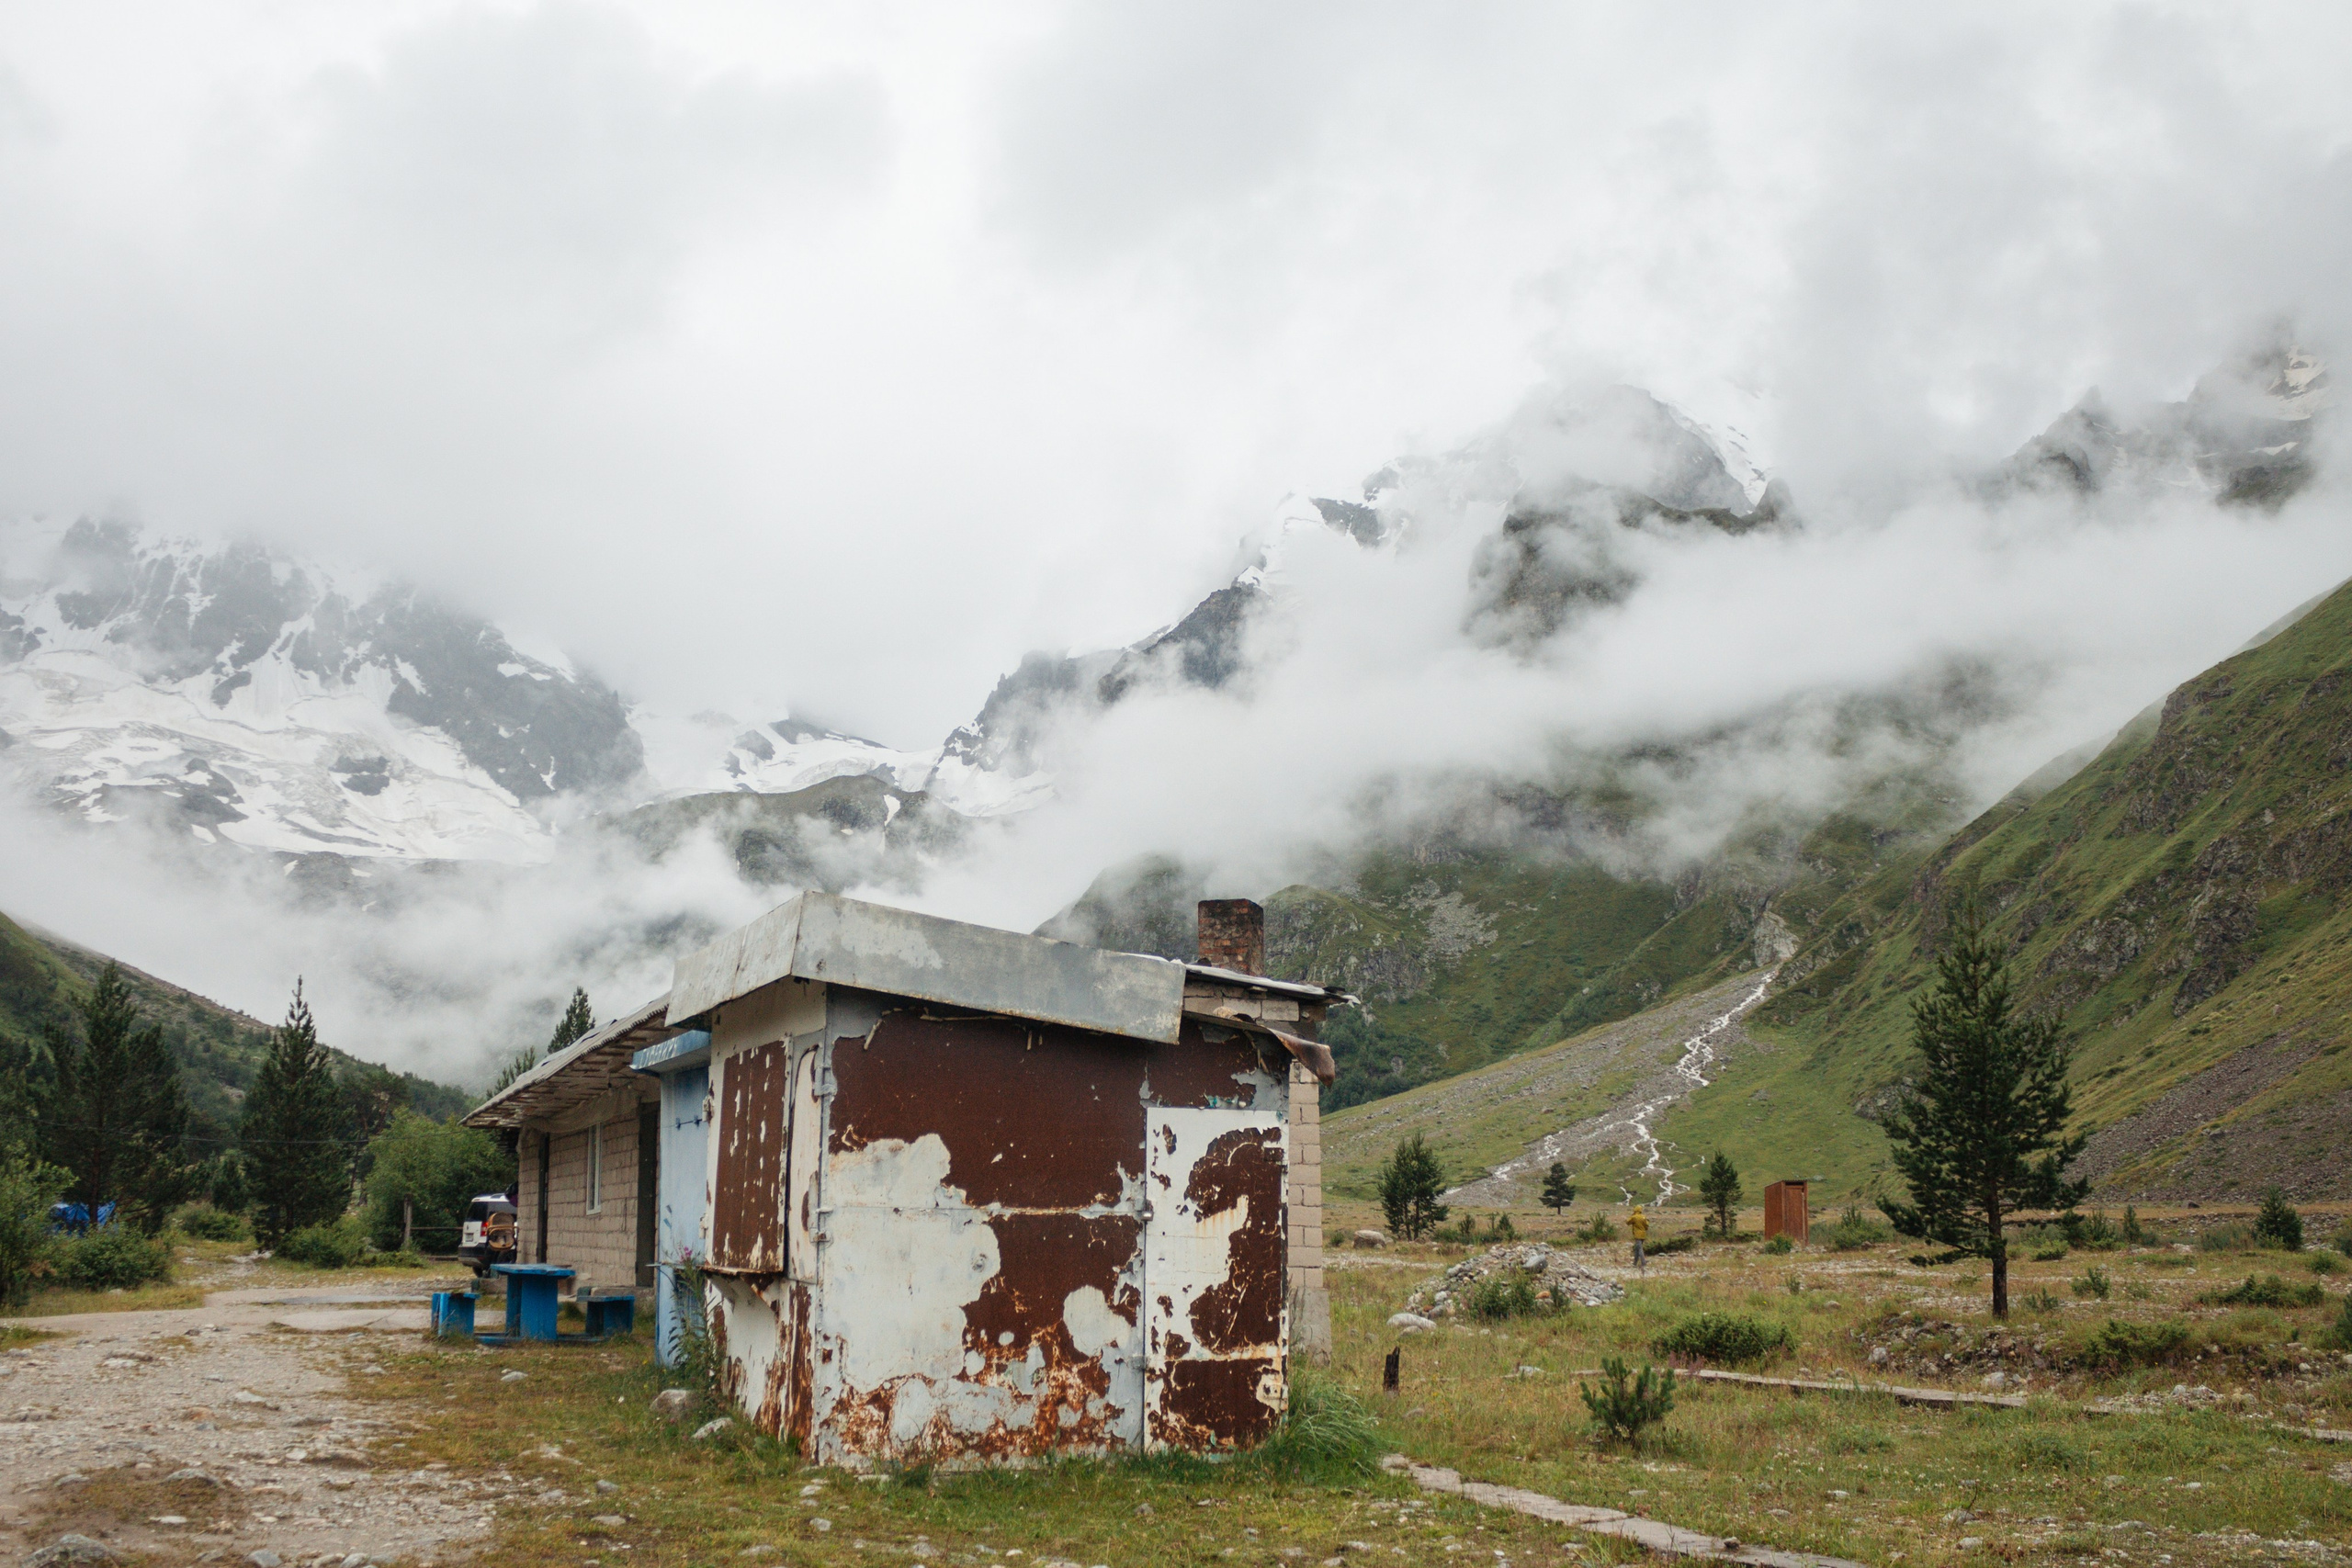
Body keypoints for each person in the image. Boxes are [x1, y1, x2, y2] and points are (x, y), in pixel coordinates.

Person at [1628, 1204, 1649, 1270]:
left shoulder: (1634, 1217)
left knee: (1639, 1249)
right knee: (1637, 1249)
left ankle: (1643, 1262)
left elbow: (1627, 1222)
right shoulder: (1644, 1217)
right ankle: (1635, 1263)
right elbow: (1647, 1226)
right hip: (1643, 1234)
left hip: (1637, 1235)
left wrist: (1632, 1215)